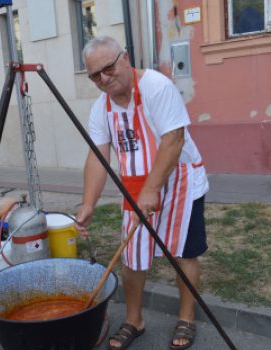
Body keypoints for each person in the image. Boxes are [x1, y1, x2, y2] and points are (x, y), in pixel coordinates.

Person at [74, 36, 209, 350]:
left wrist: (152, 189)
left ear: (124, 58)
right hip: (135, 187)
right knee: (132, 257)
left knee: (183, 253)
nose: (104, 78)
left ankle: (187, 316)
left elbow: (173, 139)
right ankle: (135, 319)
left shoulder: (156, 87)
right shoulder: (101, 108)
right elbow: (97, 154)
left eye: (108, 68)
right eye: (96, 75)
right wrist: (88, 203)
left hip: (180, 181)